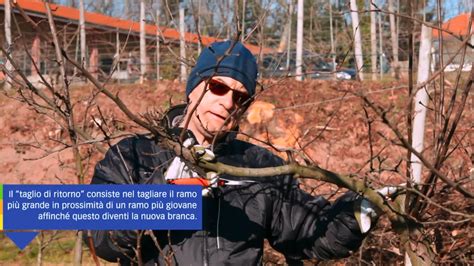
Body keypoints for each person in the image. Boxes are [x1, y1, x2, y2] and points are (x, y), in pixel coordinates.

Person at [86, 40, 374, 265]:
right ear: (194, 88)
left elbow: (306, 232)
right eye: (218, 87)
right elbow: (99, 239)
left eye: (241, 97)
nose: (228, 103)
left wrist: (354, 214)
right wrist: (165, 194)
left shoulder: (258, 166)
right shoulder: (134, 155)